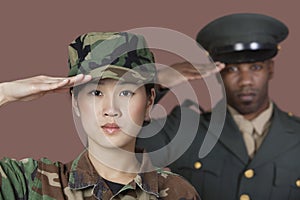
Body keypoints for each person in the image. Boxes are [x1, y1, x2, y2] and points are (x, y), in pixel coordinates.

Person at [0, 32, 200, 199]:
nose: (111, 109)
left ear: (149, 101)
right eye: (96, 92)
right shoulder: (33, 183)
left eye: (126, 92)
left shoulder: (178, 193)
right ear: (75, 102)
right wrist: (4, 94)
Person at [137, 13, 300, 200]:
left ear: (270, 69)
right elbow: (115, 144)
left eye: (255, 67)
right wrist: (158, 83)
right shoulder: (187, 130)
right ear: (217, 73)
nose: (246, 81)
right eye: (233, 69)